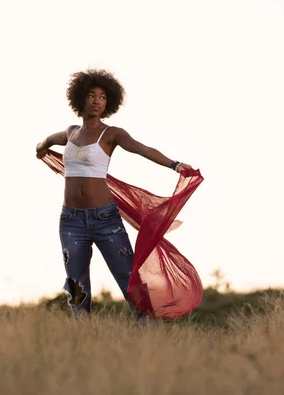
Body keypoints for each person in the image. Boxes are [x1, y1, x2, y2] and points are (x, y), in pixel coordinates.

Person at [35, 68, 192, 324]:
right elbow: (48, 140)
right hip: (71, 221)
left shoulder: (112, 134)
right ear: (80, 99)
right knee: (76, 283)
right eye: (91, 95)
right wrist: (41, 147)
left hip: (105, 220)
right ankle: (83, 334)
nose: (97, 100)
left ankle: (148, 330)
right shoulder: (71, 132)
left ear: (109, 103)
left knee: (128, 277)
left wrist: (175, 164)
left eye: (102, 97)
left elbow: (143, 149)